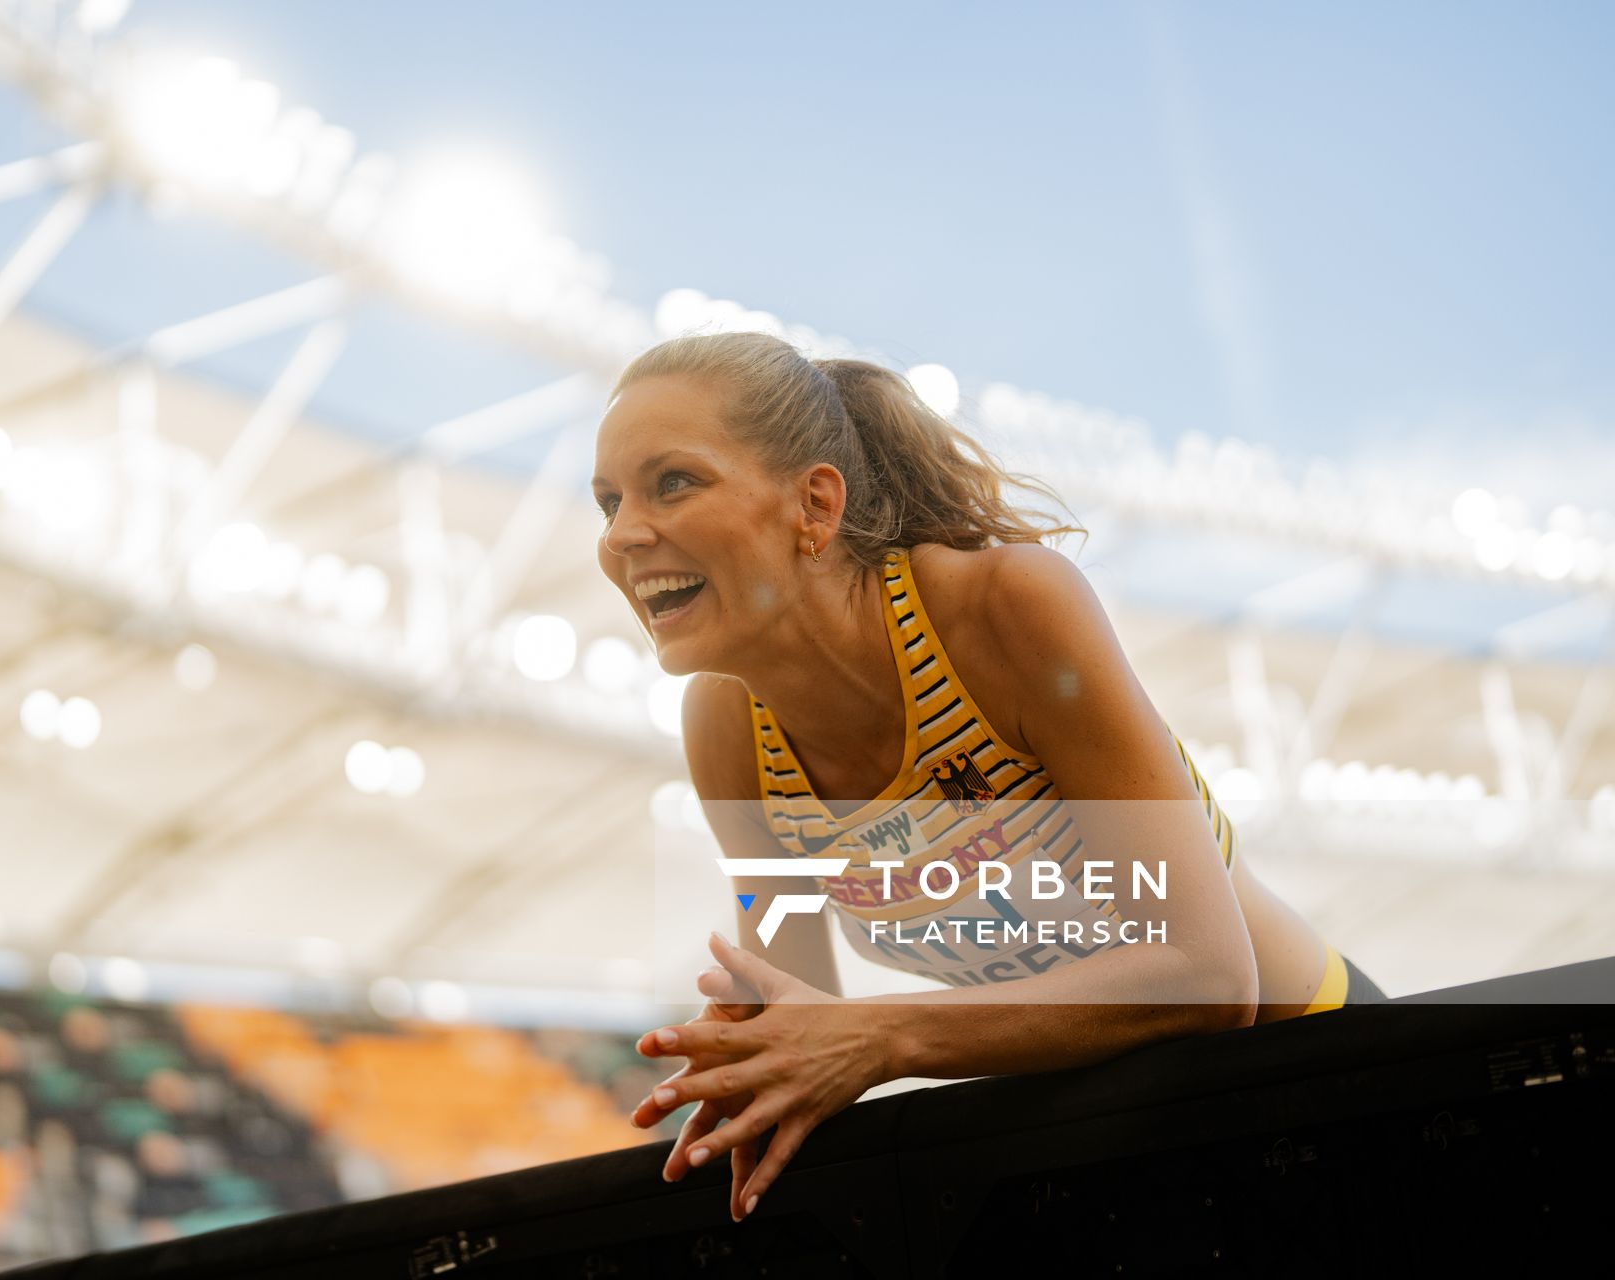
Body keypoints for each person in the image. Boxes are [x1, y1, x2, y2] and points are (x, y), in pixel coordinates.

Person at [587, 331, 1386, 1224]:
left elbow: (1207, 975)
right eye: (608, 501)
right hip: (1104, 1142)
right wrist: (750, 1058)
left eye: (673, 483)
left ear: (814, 505)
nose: (622, 535)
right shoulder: (726, 731)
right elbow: (794, 997)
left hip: (1321, 1071)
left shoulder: (1005, 610)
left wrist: (877, 1036)